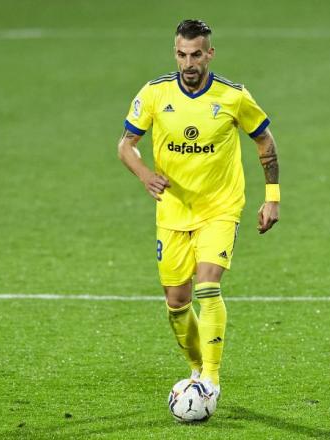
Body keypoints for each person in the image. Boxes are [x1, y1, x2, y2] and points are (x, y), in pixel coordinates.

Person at [117, 19, 280, 399]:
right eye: (181, 54)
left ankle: (211, 379)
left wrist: (272, 196)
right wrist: (144, 175)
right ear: (175, 52)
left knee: (208, 286)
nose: (188, 63)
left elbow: (265, 141)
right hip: (172, 212)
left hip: (219, 208)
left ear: (209, 54)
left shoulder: (233, 97)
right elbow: (126, 144)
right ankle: (196, 370)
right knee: (177, 303)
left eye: (195, 55)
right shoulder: (155, 94)